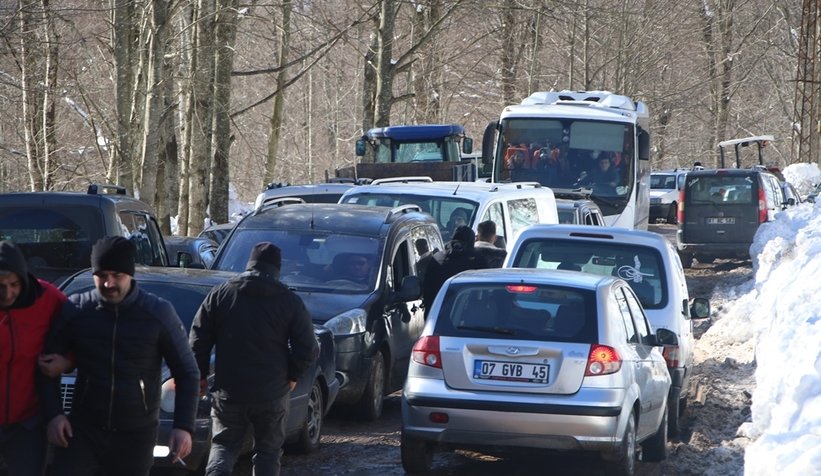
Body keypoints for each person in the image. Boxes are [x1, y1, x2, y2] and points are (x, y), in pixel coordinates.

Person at [40, 236, 200, 476]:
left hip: (135, 435)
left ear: (130, 274)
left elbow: (187, 372)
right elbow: (45, 365)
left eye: (117, 275)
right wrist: (54, 414)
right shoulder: (77, 309)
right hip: (83, 430)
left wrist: (184, 426)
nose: (108, 283)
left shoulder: (157, 313)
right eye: (102, 275)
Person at [190, 242, 318, 476]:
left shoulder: (221, 293)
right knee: (268, 452)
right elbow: (308, 347)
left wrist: (199, 374)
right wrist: (292, 375)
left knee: (224, 446)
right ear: (277, 269)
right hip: (272, 392)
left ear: (249, 264)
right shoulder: (289, 301)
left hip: (229, 390)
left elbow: (198, 337)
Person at [0, 241, 67, 476]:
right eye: (0, 286)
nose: (7, 293)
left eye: (14, 285)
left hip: (27, 422)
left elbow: (80, 333)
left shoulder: (47, 298)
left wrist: (68, 361)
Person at [422, 226, 488, 316]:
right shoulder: (477, 259)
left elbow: (427, 288)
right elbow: (486, 290)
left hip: (437, 314)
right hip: (468, 316)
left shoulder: (437, 257)